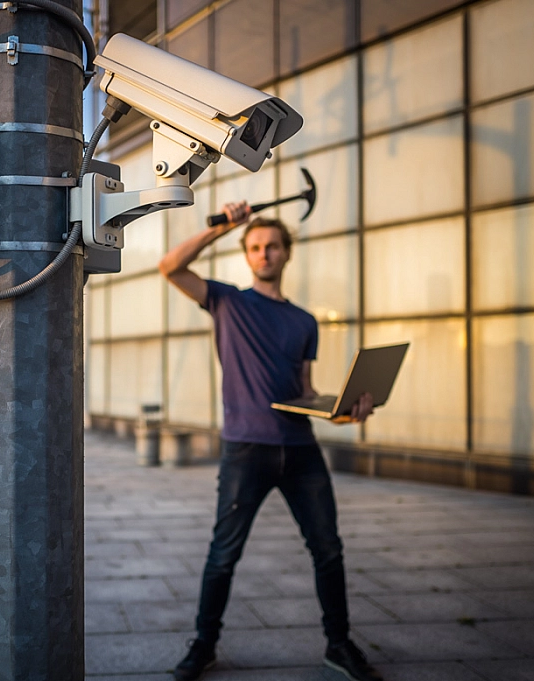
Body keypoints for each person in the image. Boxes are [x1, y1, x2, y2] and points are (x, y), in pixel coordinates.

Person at [158, 201, 383, 681]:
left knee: (328, 549)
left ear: (286, 253)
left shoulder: (305, 321)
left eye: (273, 246)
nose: (264, 254)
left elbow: (305, 390)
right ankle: (203, 645)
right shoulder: (227, 301)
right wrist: (224, 226)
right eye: (256, 247)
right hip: (246, 449)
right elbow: (170, 267)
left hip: (301, 450)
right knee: (224, 554)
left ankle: (339, 645)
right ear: (247, 255)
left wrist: (344, 409)